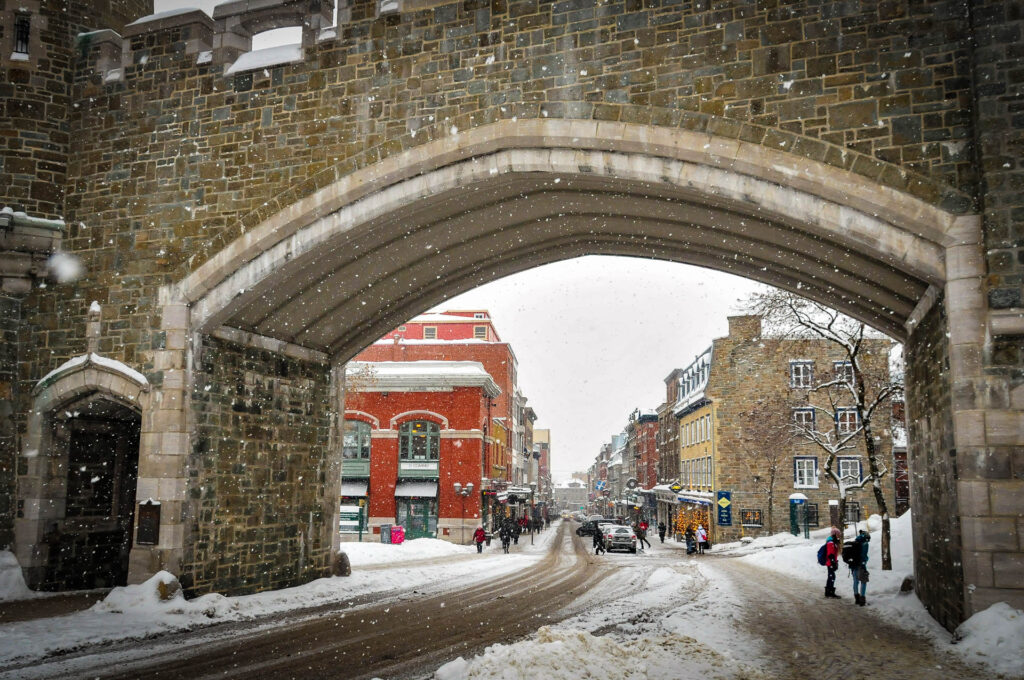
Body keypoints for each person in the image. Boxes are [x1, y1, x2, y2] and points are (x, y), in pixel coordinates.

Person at [850, 529, 871, 606]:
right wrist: (864, 564)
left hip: (853, 565)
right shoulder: (865, 543)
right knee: (863, 581)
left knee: (855, 581)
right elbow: (863, 555)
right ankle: (862, 600)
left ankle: (857, 599)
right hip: (860, 565)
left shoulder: (855, 541)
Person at [824, 526, 842, 599]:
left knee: (831, 576)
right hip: (830, 563)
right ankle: (830, 592)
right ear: (835, 534)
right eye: (838, 534)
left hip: (830, 562)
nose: (839, 536)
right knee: (832, 576)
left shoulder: (832, 542)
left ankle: (828, 592)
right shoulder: (831, 543)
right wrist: (833, 562)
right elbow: (830, 554)